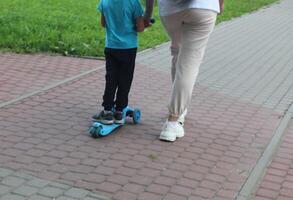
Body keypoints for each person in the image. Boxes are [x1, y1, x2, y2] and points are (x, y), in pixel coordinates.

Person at [158, 0, 225, 142]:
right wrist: (220, 3)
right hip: (204, 8)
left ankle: (179, 111)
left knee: (177, 52)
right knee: (188, 64)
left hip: (169, 9)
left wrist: (147, 12)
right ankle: (172, 122)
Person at [93, 0, 145, 124]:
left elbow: (103, 23)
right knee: (125, 80)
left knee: (111, 79)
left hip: (111, 46)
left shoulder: (104, 2)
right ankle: (119, 111)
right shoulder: (134, 3)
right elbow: (140, 28)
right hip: (128, 48)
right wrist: (143, 23)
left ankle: (107, 111)